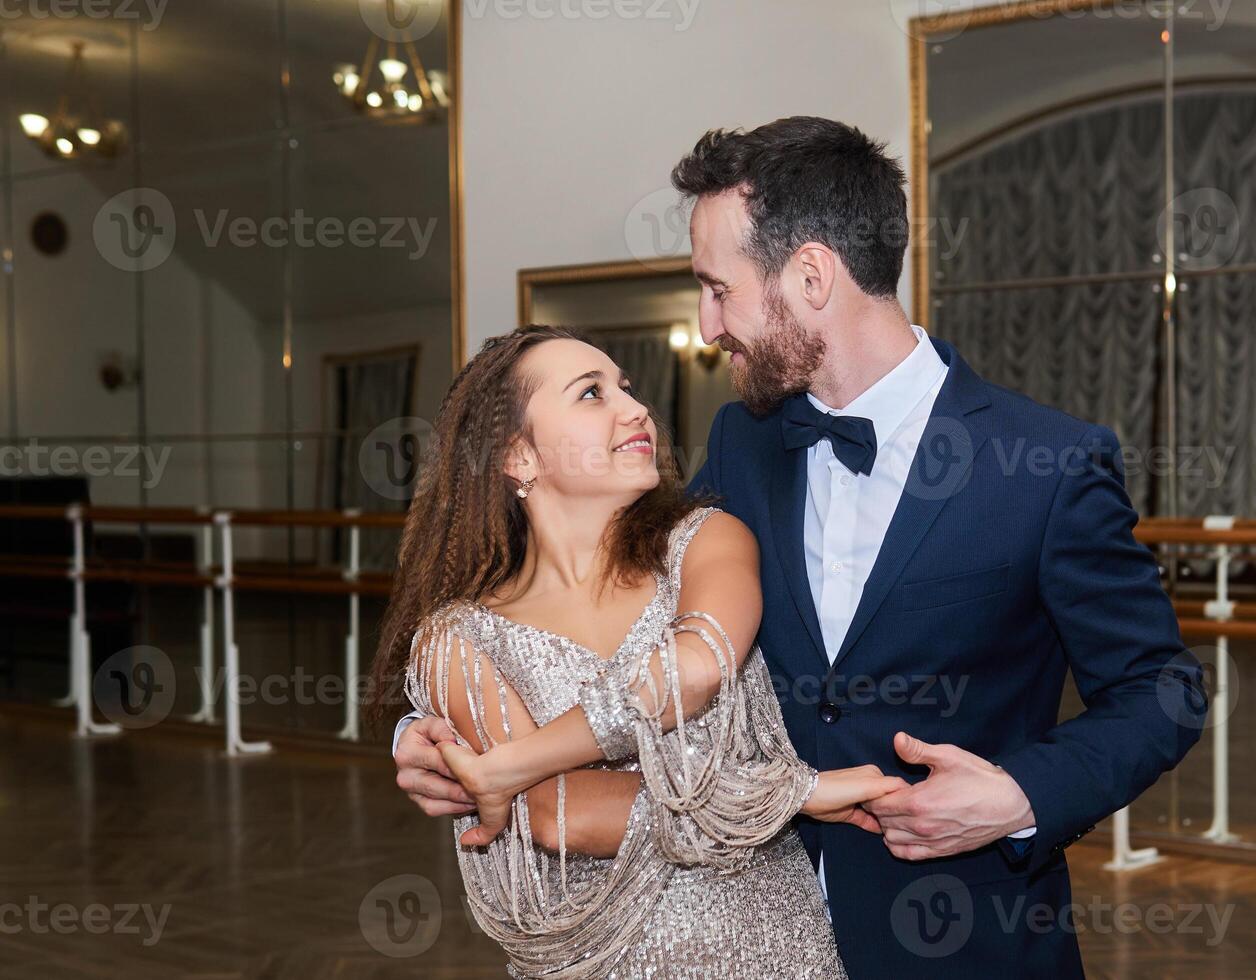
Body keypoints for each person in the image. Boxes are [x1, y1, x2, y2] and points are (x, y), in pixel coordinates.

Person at [392, 117, 1207, 977]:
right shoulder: (743, 445)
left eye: (719, 288)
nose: (708, 327)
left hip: (961, 936)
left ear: (811, 275)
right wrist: (441, 726)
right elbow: (620, 608)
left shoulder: (1046, 466)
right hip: (736, 927)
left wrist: (1018, 798)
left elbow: (1162, 690)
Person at [369, 324, 907, 979]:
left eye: (626, 386)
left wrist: (509, 764)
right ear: (519, 456)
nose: (636, 408)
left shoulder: (706, 541)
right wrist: (788, 797)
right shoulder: (457, 640)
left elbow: (698, 667)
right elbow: (556, 815)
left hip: (775, 951)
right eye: (591, 394)